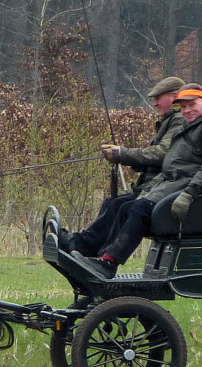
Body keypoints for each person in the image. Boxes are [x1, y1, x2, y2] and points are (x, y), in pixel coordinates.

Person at [80, 84, 202, 277]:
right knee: (126, 206)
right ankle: (101, 258)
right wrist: (145, 190)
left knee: (139, 210)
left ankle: (109, 263)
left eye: (192, 104)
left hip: (196, 194)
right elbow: (171, 167)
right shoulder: (190, 127)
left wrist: (189, 194)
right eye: (183, 107)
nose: (187, 110)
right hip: (174, 184)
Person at [58, 76, 186, 257]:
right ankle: (84, 245)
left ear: (175, 97)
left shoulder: (179, 120)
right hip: (153, 186)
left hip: (161, 189)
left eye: (158, 98)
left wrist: (123, 154)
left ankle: (93, 250)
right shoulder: (170, 121)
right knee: (113, 203)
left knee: (121, 205)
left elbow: (162, 153)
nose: (155, 103)